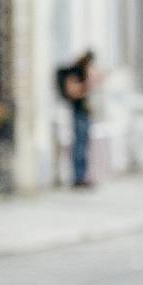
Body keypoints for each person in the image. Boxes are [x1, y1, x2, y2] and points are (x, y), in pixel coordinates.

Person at [56, 51, 96, 187]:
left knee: (84, 146)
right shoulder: (75, 72)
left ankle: (83, 176)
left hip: (84, 113)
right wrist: (87, 85)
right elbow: (73, 91)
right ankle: (78, 178)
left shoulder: (81, 72)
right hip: (78, 113)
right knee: (79, 146)